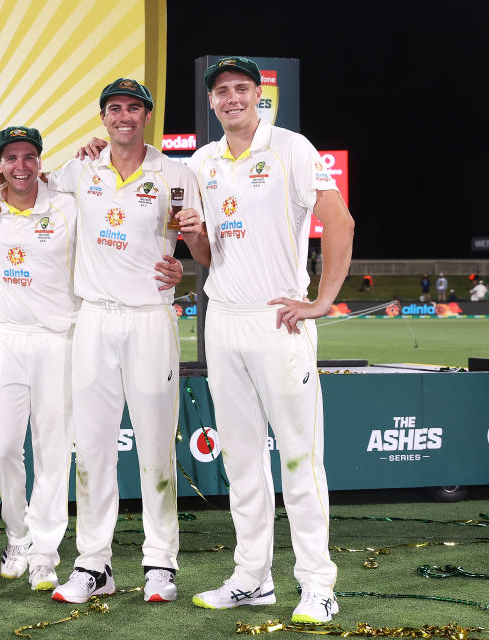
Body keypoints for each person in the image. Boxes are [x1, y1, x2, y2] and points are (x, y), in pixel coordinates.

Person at [0, 78, 200, 604]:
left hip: (148, 318)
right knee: (91, 452)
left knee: (155, 449)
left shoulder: (176, 172)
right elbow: (22, 180)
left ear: (146, 116)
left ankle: (161, 563)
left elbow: (197, 239)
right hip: (92, 320)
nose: (124, 116)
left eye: (134, 108)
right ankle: (95, 565)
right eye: (114, 108)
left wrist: (182, 262)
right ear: (102, 118)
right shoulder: (78, 171)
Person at [176, 56, 354, 623]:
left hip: (279, 320)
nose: (231, 98)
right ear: (211, 102)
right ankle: (252, 577)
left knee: (300, 460)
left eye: (241, 88)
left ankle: (318, 584)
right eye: (221, 91)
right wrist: (197, 238)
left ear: (259, 95)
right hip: (222, 319)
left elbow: (341, 222)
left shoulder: (292, 148)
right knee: (244, 461)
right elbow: (206, 257)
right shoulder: (202, 161)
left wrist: (321, 302)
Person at [0, 127, 79, 592]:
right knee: (1, 448)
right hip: (6, 339)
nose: (21, 166)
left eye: (29, 157)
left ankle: (44, 551)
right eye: (11, 158)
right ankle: (17, 536)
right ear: (0, 163)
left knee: (53, 451)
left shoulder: (65, 205)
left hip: (57, 340)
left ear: (41, 161)